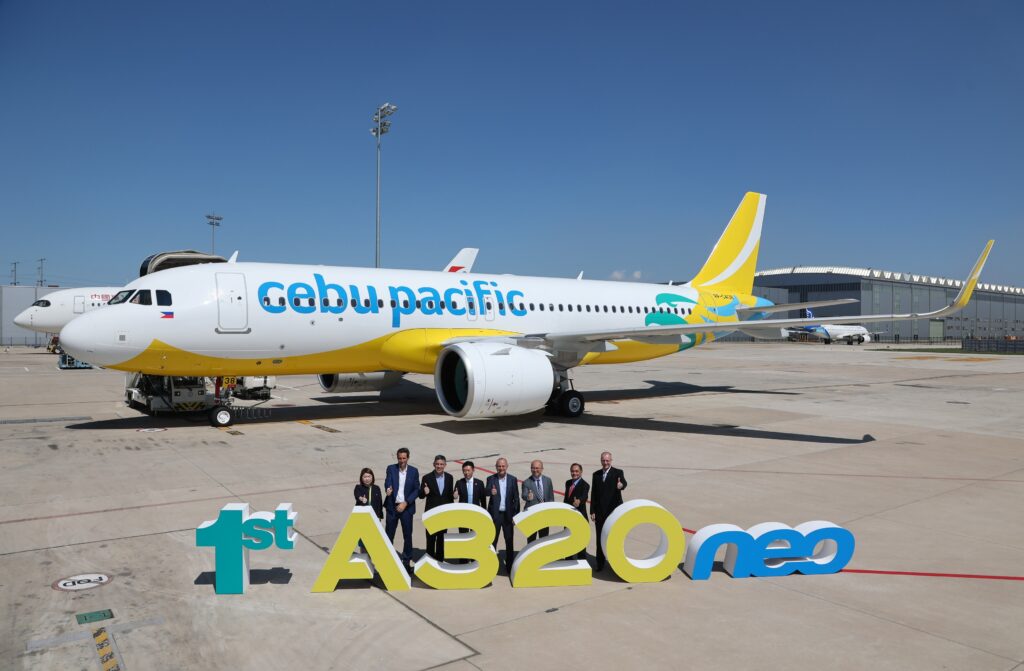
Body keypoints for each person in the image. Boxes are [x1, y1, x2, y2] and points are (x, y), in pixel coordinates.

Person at [590, 451, 627, 571]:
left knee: (614, 538)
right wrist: (592, 511)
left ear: (611, 460)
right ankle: (600, 563)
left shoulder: (618, 473)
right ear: (601, 461)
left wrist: (621, 486)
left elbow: (624, 483)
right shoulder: (596, 475)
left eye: (607, 460)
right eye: (603, 460)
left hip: (613, 513)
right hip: (600, 513)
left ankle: (615, 563)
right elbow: (594, 494)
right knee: (600, 539)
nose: (605, 463)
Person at [384, 448, 420, 569]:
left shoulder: (414, 471)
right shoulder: (391, 468)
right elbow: (387, 481)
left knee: (407, 536)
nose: (402, 460)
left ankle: (406, 561)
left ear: (408, 458)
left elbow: (416, 490)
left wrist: (406, 502)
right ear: (397, 458)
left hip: (406, 508)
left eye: (404, 458)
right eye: (400, 458)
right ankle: (388, 560)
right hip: (392, 507)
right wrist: (388, 488)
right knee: (389, 535)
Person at [485, 457, 520, 572]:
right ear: (496, 467)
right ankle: (491, 565)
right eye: (499, 466)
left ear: (507, 466)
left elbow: (516, 499)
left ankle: (509, 566)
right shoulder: (490, 478)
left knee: (509, 541)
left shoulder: (512, 479)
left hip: (508, 516)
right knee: (492, 541)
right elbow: (485, 492)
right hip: (495, 515)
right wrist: (490, 491)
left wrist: (515, 516)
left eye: (503, 466)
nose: (501, 468)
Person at [419, 454, 454, 561]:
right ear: (434, 464)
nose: (439, 466)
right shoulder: (426, 478)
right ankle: (430, 560)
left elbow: (449, 496)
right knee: (430, 539)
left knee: (441, 538)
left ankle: (440, 560)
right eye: (437, 464)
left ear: (445, 465)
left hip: (444, 514)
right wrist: (424, 492)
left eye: (441, 464)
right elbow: (420, 495)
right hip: (431, 514)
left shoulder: (449, 477)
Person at [455, 460, 486, 563]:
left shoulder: (480, 483)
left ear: (473, 470)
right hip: (463, 516)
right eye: (464, 471)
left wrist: (484, 515)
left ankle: (474, 559)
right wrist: (454, 495)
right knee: (463, 538)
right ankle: (463, 560)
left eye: (468, 470)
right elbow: (454, 495)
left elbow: (483, 501)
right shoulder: (459, 483)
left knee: (474, 539)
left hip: (475, 516)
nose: (466, 473)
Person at [521, 459, 554, 541]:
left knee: (544, 539)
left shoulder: (548, 480)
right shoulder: (526, 482)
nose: (535, 470)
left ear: (542, 469)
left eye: (537, 468)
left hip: (544, 515)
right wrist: (528, 497)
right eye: (533, 468)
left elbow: (551, 497)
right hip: (532, 515)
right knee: (531, 539)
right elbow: (523, 495)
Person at [563, 463, 590, 559]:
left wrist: (579, 501)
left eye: (576, 471)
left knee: (580, 543)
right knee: (567, 540)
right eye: (572, 471)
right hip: (568, 518)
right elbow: (566, 499)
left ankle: (582, 561)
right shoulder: (568, 483)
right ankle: (568, 560)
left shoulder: (585, 485)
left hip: (579, 518)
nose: (574, 473)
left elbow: (584, 496)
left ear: (581, 472)